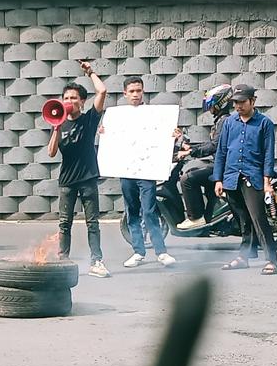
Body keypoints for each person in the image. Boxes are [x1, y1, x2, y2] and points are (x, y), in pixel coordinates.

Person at [47, 61, 109, 277]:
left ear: (82, 102)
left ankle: (97, 261)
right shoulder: (59, 123)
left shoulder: (89, 120)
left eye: (74, 98)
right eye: (66, 98)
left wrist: (90, 72)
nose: (69, 101)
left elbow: (102, 91)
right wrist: (55, 127)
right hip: (67, 181)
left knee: (92, 222)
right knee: (64, 223)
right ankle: (63, 259)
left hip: (88, 179)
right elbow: (51, 152)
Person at [212, 84, 277, 275]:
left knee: (258, 219)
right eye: (235, 103)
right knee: (243, 220)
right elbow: (222, 151)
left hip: (253, 178)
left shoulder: (264, 123)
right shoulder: (229, 122)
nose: (238, 106)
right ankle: (244, 257)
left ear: (253, 101)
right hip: (231, 177)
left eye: (242, 102)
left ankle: (272, 260)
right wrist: (218, 179)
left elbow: (269, 154)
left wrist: (267, 182)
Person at [115, 76, 176, 269]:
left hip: (147, 169)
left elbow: (164, 134)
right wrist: (105, 132)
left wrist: (173, 135)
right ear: (125, 93)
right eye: (131, 91)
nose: (135, 94)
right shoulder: (118, 116)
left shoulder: (154, 114)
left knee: (150, 210)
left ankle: (161, 252)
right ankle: (138, 252)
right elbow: (112, 137)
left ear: (143, 92)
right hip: (127, 169)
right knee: (132, 211)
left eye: (138, 90)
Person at [178, 84, 235, 230]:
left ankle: (195, 217)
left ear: (220, 102)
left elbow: (214, 146)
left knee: (188, 178)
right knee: (195, 170)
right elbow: (211, 143)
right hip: (220, 164)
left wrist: (191, 152)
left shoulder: (225, 121)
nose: (210, 107)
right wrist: (191, 148)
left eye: (212, 104)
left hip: (224, 167)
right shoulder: (221, 120)